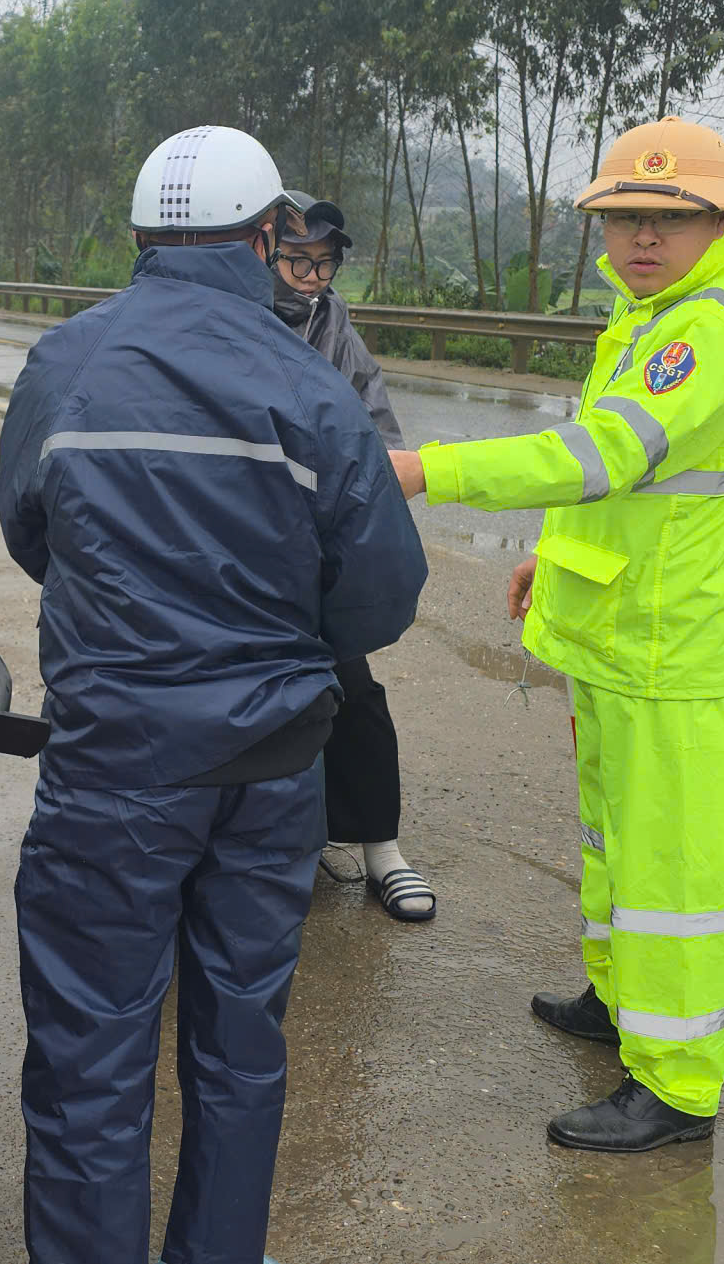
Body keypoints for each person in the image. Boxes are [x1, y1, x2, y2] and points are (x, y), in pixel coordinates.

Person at [0, 125, 429, 1264]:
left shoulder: (66, 364)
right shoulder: (309, 382)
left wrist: (127, 614)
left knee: (90, 1054)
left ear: (143, 237)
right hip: (270, 771)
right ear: (264, 236)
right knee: (240, 1049)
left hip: (112, 764)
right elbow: (381, 594)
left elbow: (32, 531)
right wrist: (276, 645)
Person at [388, 116, 724, 1152]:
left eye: (667, 218)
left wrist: (432, 469)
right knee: (614, 841)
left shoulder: (706, 330)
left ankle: (677, 1083)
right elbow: (622, 483)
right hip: (625, 629)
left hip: (671, 645)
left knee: (671, 870)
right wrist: (550, 557)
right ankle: (618, 1001)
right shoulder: (648, 316)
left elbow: (600, 453)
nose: (641, 237)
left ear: (718, 224)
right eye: (622, 217)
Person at [270, 192, 436, 924]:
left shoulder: (335, 323)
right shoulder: (235, 315)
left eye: (324, 263)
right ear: (264, 254)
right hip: (235, 539)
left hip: (314, 541)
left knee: (352, 689)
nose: (311, 277)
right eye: (297, 262)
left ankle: (381, 848)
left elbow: (375, 424)